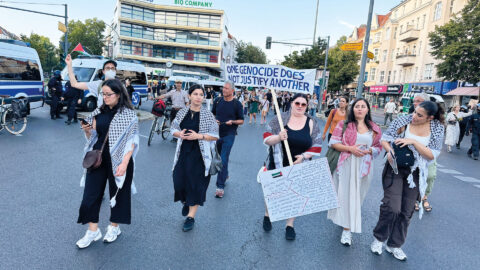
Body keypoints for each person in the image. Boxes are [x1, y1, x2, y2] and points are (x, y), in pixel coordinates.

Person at [370, 101, 445, 261]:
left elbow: (432, 155)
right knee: (392, 207)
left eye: (419, 115)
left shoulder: (437, 128)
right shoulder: (402, 120)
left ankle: (394, 245)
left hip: (417, 172)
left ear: (430, 118)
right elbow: (385, 139)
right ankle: (379, 239)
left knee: (406, 211)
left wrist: (414, 142)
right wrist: (390, 151)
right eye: (415, 112)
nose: (414, 116)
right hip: (396, 167)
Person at [76, 79, 139, 249]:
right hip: (98, 158)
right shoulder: (99, 111)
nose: (105, 97)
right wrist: (88, 130)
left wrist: (124, 164)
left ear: (118, 94)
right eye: (103, 94)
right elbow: (93, 138)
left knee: (117, 195)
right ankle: (93, 231)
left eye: (109, 94)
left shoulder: (128, 114)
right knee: (90, 194)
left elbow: (132, 142)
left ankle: (114, 227)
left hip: (119, 159)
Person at [262, 93, 323, 240]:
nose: (300, 106)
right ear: (291, 103)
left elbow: (317, 145)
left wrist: (303, 157)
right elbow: (266, 138)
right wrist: (278, 137)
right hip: (278, 162)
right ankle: (268, 214)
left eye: (303, 104)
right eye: (297, 103)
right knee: (273, 192)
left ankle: (290, 225)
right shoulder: (280, 119)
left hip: (299, 165)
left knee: (296, 195)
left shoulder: (311, 122)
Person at [327, 98, 382, 246]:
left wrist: (370, 149)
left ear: (367, 109)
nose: (359, 109)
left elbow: (378, 148)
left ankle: (345, 221)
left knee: (358, 198)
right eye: (357, 106)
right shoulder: (344, 125)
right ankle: (347, 230)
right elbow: (333, 143)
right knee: (345, 197)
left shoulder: (375, 128)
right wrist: (351, 149)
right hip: (346, 163)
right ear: (353, 109)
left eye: (363, 106)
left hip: (364, 166)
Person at [170, 84, 219, 232]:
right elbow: (173, 128)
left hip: (200, 156)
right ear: (189, 96)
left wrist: (199, 136)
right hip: (183, 153)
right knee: (178, 180)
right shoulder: (182, 113)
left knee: (196, 185)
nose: (198, 97)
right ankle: (186, 201)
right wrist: (179, 134)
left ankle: (191, 217)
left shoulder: (208, 115)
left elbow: (215, 136)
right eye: (195, 94)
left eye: (201, 94)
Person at [211, 80, 244, 198]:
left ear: (232, 91)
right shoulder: (217, 101)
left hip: (229, 134)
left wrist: (233, 122)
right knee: (220, 158)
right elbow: (212, 114)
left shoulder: (237, 104)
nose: (224, 90)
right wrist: (214, 120)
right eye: (223, 88)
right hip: (217, 134)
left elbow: (241, 120)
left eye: (226, 88)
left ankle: (220, 186)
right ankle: (226, 174)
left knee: (223, 159)